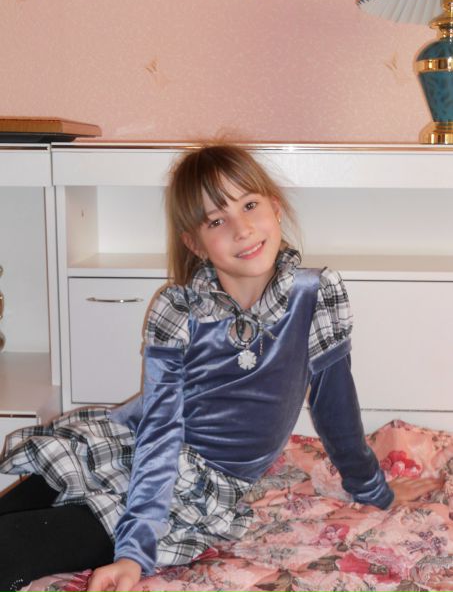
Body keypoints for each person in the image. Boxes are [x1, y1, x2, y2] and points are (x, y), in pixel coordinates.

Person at [0, 144, 442, 592]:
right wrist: (136, 548)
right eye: (216, 220)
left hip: (200, 485)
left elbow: (335, 404)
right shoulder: (178, 308)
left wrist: (373, 491)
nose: (242, 229)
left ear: (275, 207)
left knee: (15, 549)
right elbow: (159, 429)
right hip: (134, 447)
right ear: (194, 243)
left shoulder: (316, 293)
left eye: (249, 205)